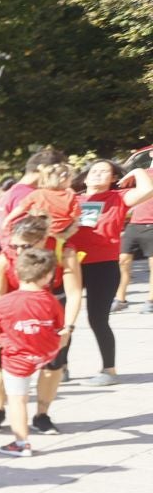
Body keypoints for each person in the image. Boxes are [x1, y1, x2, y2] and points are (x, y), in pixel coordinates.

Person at [0, 247, 65, 458]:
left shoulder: (7, 302)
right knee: (23, 391)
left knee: (18, 399)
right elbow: (58, 326)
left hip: (17, 358)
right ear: (48, 276)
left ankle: (21, 442)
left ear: (16, 273)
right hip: (44, 353)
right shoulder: (51, 301)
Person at [0, 214, 83, 435]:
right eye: (14, 245)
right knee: (3, 363)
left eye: (25, 246)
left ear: (42, 239)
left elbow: (74, 293)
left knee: (53, 366)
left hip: (51, 313)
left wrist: (68, 327)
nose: (18, 251)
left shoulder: (63, 252)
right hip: (15, 312)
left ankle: (42, 415)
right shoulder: (6, 257)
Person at [70, 160, 153, 382]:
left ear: (114, 178)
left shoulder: (118, 197)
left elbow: (148, 189)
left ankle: (109, 370)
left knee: (98, 319)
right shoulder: (72, 198)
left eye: (104, 172)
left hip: (102, 266)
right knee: (62, 318)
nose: (97, 175)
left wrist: (137, 171)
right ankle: (59, 366)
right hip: (70, 265)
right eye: (93, 171)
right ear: (85, 178)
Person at [122, 168, 153, 313]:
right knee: (123, 262)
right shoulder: (140, 173)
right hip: (134, 223)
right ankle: (120, 298)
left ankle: (150, 301)